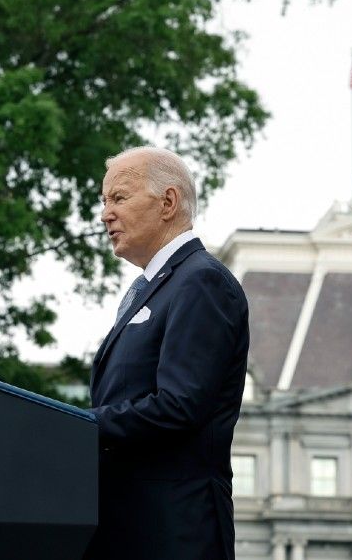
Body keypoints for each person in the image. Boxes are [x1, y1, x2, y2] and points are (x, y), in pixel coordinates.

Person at [84, 146, 249, 560]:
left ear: (168, 202)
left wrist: (77, 425)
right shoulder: (155, 287)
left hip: (172, 532)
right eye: (105, 201)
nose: (105, 214)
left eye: (118, 198)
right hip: (130, 528)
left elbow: (179, 405)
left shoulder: (201, 281)